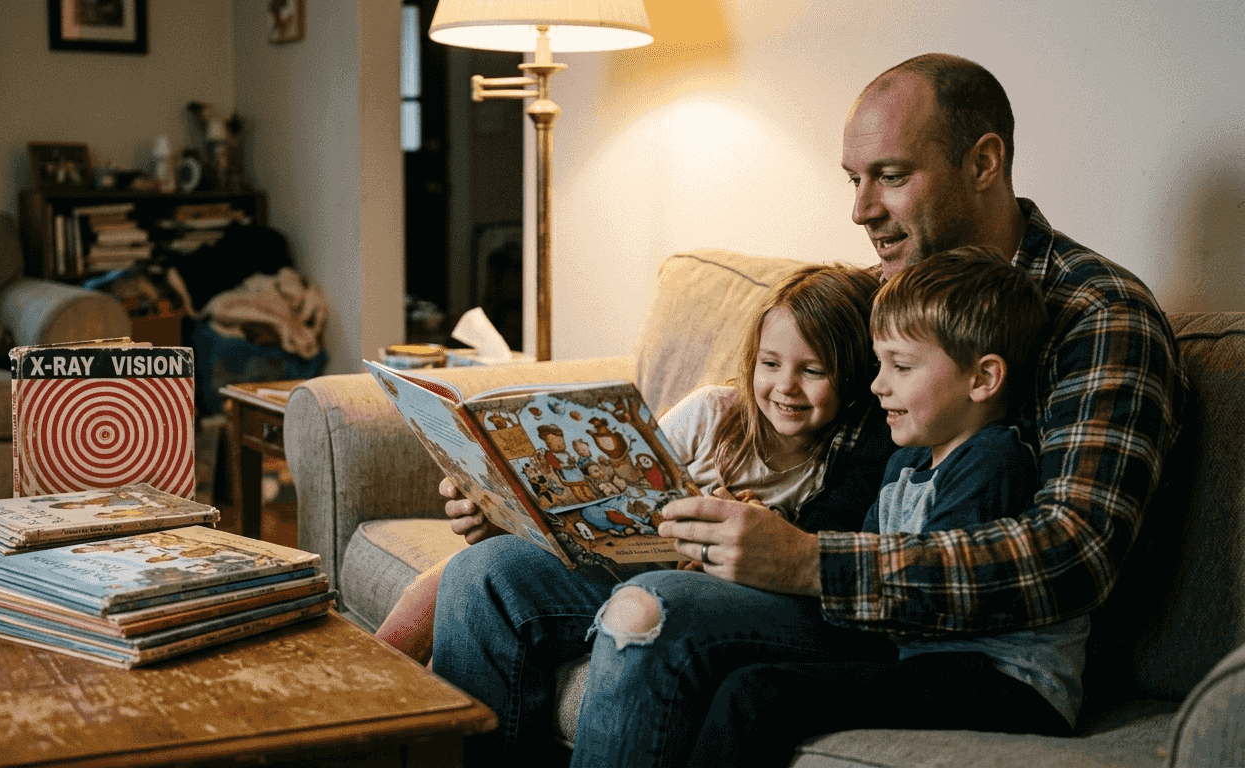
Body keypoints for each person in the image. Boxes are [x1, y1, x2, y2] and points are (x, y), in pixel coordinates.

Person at [442, 51, 1187, 764]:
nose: (861, 210)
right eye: (854, 179)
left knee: (658, 609)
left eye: (890, 177)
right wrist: (532, 500)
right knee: (490, 576)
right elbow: (779, 435)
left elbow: (1074, 554)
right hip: (801, 568)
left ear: (984, 163)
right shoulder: (881, 294)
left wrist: (807, 562)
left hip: (918, 626)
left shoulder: (1096, 315)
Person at [428, 265, 898, 764]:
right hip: (631, 557)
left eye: (813, 370)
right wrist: (502, 512)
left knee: (646, 602)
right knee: (480, 572)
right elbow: (616, 488)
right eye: (771, 363)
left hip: (709, 591)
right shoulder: (713, 414)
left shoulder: (851, 458)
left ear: (852, 378)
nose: (786, 386)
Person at [688, 246, 1088, 764]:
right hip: (932, 659)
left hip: (1006, 680)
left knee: (758, 693)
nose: (878, 386)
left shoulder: (992, 460)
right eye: (880, 364)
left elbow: (937, 607)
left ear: (983, 379)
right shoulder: (905, 462)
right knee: (739, 667)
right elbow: (866, 575)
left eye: (901, 366)